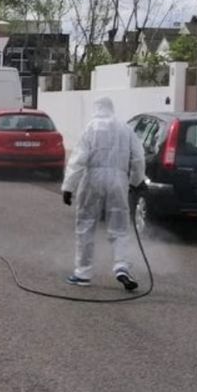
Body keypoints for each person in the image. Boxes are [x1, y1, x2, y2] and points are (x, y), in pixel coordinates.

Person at [61, 97, 146, 291]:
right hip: (118, 179)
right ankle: (122, 266)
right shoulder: (125, 129)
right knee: (120, 226)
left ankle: (83, 273)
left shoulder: (91, 128)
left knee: (86, 225)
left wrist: (68, 187)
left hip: (93, 178)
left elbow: (78, 159)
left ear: (96, 109)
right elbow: (139, 157)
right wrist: (135, 181)